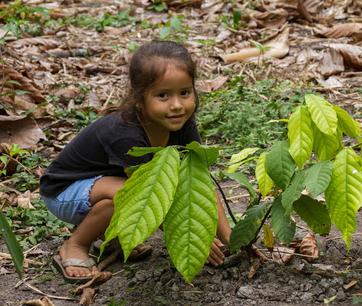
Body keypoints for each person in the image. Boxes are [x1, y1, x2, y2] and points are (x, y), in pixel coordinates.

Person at [40, 41, 232, 283]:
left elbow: (200, 184)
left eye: (184, 92)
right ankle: (75, 245)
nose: (176, 105)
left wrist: (228, 236)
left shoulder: (182, 124)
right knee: (127, 197)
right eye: (163, 95)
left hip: (108, 186)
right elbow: (151, 198)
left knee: (133, 193)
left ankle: (112, 238)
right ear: (140, 99)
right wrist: (192, 240)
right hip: (63, 192)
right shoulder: (126, 133)